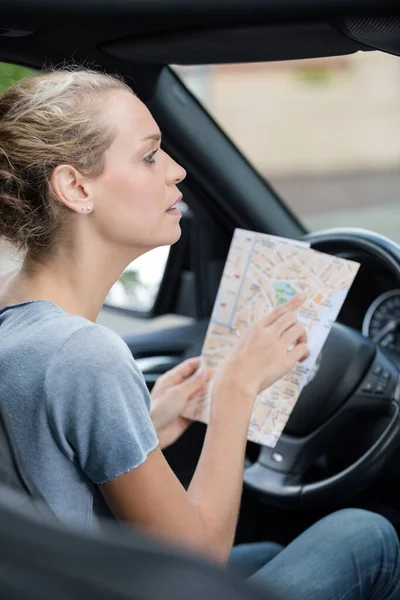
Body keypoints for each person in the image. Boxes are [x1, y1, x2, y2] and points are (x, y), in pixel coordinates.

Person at [0, 67, 398, 600]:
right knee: (366, 534)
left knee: (271, 555)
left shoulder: (17, 317)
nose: (178, 170)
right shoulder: (82, 353)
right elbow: (196, 563)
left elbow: (44, 470)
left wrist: (148, 424)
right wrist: (237, 388)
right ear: (75, 187)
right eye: (149, 156)